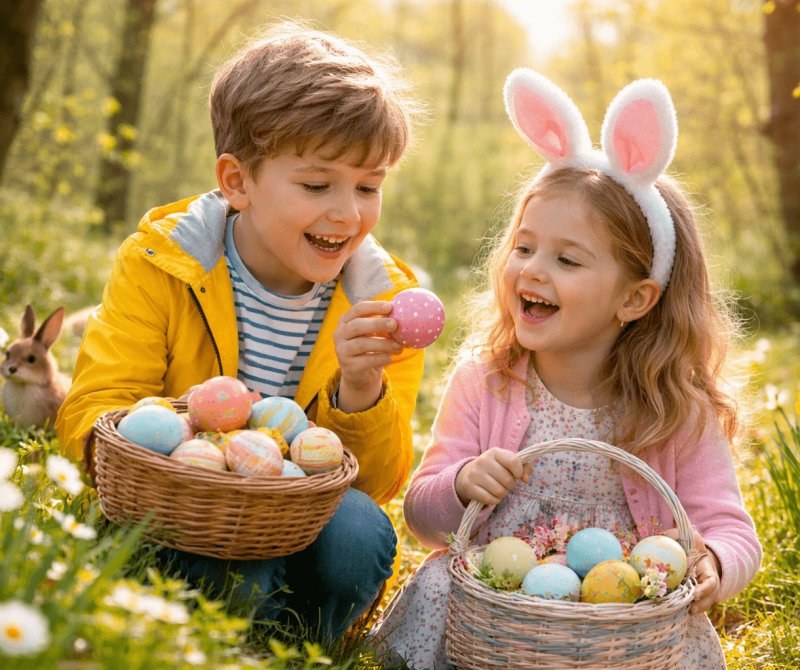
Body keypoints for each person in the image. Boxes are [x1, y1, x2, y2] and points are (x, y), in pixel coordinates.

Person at [371, 69, 762, 669]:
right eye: (524, 248)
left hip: (623, 615)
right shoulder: (488, 379)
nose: (532, 270)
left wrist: (713, 560)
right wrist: (460, 484)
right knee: (442, 587)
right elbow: (423, 517)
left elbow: (728, 525)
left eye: (568, 259)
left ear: (634, 299)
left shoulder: (675, 408)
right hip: (495, 607)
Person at [55, 22, 425, 640]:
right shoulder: (163, 263)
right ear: (237, 181)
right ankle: (222, 629)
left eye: (369, 186)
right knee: (239, 580)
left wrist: (361, 387)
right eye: (316, 184)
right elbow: (95, 407)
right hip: (183, 501)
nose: (348, 212)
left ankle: (295, 642)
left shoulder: (382, 302)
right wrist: (190, 463)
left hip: (303, 513)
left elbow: (378, 482)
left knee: (357, 539)